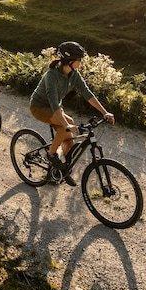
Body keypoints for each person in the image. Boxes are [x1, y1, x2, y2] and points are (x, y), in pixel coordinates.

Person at [29, 41, 114, 185]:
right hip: (39, 107)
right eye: (79, 60)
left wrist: (105, 112)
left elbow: (87, 94)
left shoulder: (74, 75)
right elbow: (54, 104)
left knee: (69, 140)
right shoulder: (52, 76)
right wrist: (65, 125)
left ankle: (59, 169)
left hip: (55, 108)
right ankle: (51, 154)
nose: (81, 63)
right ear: (69, 61)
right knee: (65, 127)